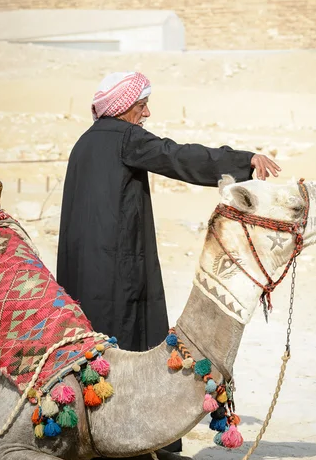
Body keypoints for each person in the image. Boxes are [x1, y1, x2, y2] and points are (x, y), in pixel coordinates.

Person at [57, 70, 280, 348]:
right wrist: (243, 161)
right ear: (122, 106)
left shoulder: (84, 142)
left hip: (81, 268)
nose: (147, 113)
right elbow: (177, 156)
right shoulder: (126, 137)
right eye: (141, 105)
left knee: (88, 342)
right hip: (116, 265)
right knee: (124, 344)